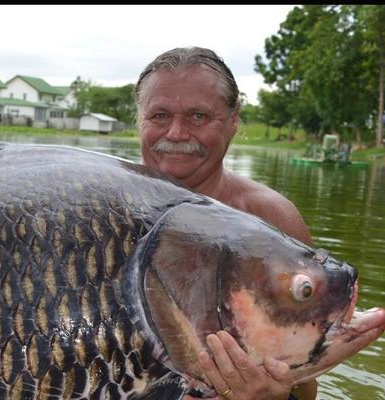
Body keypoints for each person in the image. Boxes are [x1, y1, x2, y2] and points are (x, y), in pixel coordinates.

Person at [134, 47, 317, 400]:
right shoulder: (102, 210)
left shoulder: (272, 219)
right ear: (139, 119)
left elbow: (307, 386)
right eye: (159, 115)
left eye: (198, 116)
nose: (175, 133)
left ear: (233, 120)